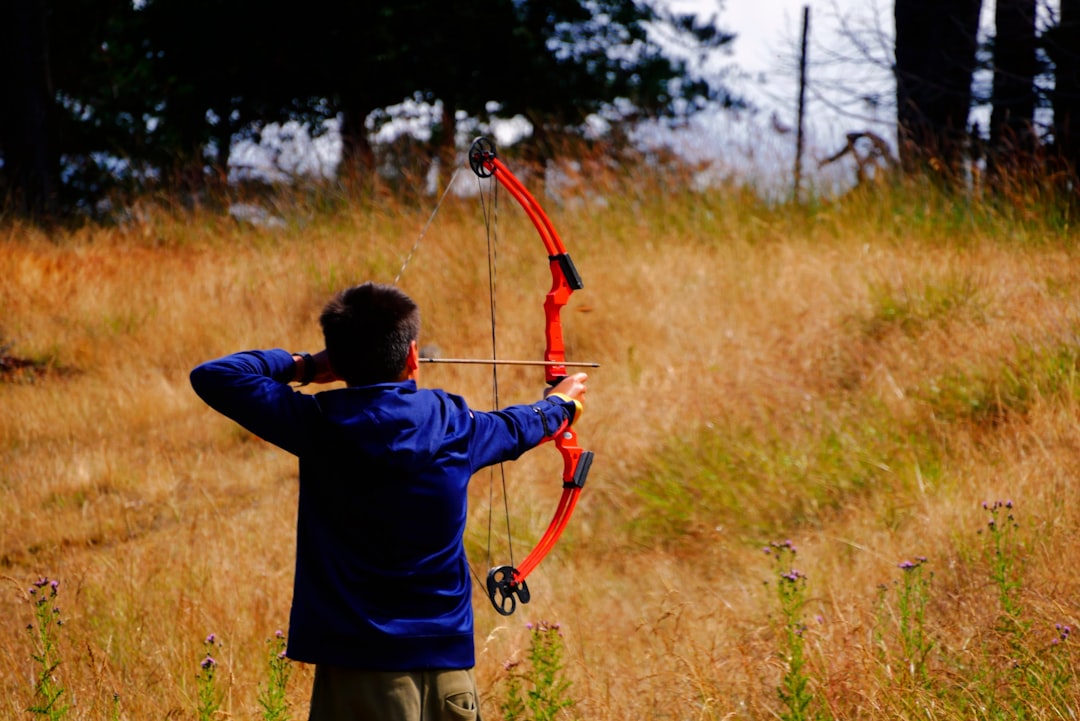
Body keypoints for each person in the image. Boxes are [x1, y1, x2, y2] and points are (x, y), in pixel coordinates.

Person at [189, 281, 587, 721]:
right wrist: (561, 405)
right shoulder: (456, 425)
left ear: (338, 363)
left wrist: (304, 366)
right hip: (451, 680)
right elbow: (517, 427)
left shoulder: (318, 425)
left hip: (359, 675)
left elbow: (215, 376)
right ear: (413, 357)